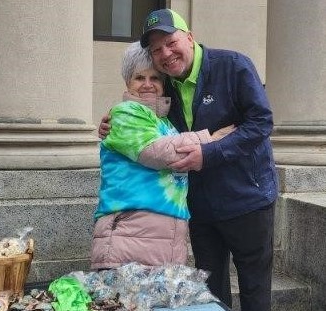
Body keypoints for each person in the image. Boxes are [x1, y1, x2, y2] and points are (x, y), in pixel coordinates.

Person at [99, 9, 278, 311]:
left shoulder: (233, 66)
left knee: (255, 289)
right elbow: (151, 129)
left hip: (248, 200)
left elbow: (261, 123)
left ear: (189, 37)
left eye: (171, 42)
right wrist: (113, 119)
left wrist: (208, 153)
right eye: (156, 50)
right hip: (200, 206)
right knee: (212, 289)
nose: (165, 54)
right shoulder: (167, 86)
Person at [91, 41, 234, 270]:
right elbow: (160, 152)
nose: (148, 84)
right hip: (131, 232)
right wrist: (214, 139)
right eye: (139, 78)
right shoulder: (125, 112)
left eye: (155, 78)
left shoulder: (165, 121)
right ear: (127, 82)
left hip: (168, 235)